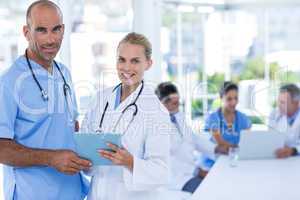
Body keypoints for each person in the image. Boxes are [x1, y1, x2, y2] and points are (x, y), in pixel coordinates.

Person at [0, 1, 91, 199]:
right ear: (26, 32)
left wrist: (93, 148)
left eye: (56, 29)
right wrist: (51, 159)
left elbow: (70, 126)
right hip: (32, 193)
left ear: (63, 30)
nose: (51, 40)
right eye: (41, 30)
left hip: (71, 191)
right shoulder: (9, 81)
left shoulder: (64, 72)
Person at [81, 32, 171, 200]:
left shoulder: (157, 112)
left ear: (148, 64)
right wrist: (82, 156)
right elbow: (87, 160)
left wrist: (129, 161)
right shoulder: (100, 99)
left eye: (135, 61)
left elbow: (162, 172)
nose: (126, 68)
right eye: (121, 60)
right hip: (97, 194)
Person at [155, 82, 217, 193]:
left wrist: (216, 149)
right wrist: (197, 171)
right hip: (176, 179)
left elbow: (193, 138)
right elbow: (169, 160)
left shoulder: (177, 115)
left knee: (217, 184)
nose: (178, 106)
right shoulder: (156, 127)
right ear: (162, 103)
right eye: (174, 103)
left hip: (191, 172)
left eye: (178, 102)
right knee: (210, 192)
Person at [200, 81, 252, 173]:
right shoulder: (213, 118)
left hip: (235, 161)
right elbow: (221, 144)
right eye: (229, 99)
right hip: (213, 163)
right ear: (221, 98)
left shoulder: (243, 118)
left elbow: (247, 142)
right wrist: (239, 147)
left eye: (236, 98)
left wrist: (240, 147)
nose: (233, 102)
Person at [269, 84, 300, 158]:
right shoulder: (275, 114)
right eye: (278, 102)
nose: (279, 105)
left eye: (283, 103)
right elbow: (270, 137)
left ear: (297, 103)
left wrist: (293, 150)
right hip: (280, 159)